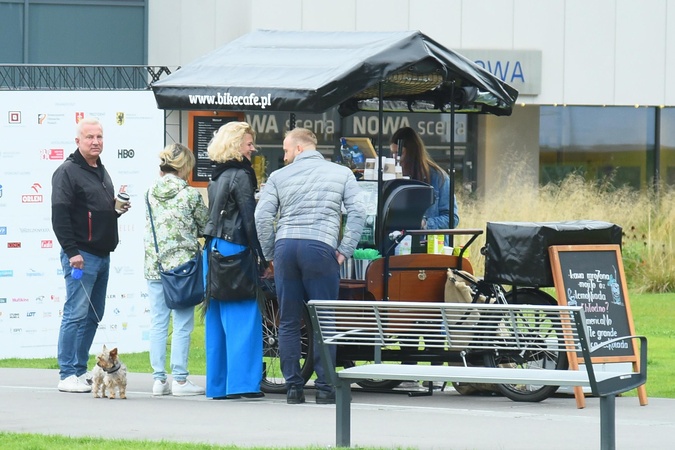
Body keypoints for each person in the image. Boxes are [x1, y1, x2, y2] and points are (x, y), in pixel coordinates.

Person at [255, 127, 366, 404]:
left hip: (285, 248)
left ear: (299, 148)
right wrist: (344, 250)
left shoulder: (278, 177)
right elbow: (358, 212)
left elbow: (262, 216)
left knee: (289, 320)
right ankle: (325, 388)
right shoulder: (342, 173)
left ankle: (293, 388)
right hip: (320, 247)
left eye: (286, 150)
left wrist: (271, 253)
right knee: (324, 320)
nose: (284, 157)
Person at [51, 117, 130, 393]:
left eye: (99, 137)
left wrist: (115, 210)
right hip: (81, 255)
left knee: (93, 316)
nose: (95, 142)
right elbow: (60, 215)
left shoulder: (101, 170)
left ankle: (79, 369)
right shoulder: (67, 171)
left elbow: (94, 211)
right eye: (89, 137)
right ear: (78, 141)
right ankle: (66, 374)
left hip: (102, 253)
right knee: (75, 314)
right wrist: (71, 251)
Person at [203, 121, 271, 400]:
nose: (253, 149)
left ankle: (217, 386)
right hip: (235, 248)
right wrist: (262, 256)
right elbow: (248, 219)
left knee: (216, 320)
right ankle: (242, 384)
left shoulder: (217, 174)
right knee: (243, 317)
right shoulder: (242, 174)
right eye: (249, 144)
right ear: (235, 145)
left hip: (212, 247)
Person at [143, 143, 209, 397]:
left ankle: (159, 380)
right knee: (182, 324)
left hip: (155, 265)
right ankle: (180, 379)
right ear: (185, 166)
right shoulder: (190, 195)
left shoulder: (150, 192)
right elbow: (205, 225)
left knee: (158, 323)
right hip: (183, 268)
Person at [390, 126, 460, 232]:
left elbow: (452, 218)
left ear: (412, 153)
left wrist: (424, 223)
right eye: (393, 153)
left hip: (430, 240)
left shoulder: (438, 178)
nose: (395, 158)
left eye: (399, 153)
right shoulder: (393, 176)